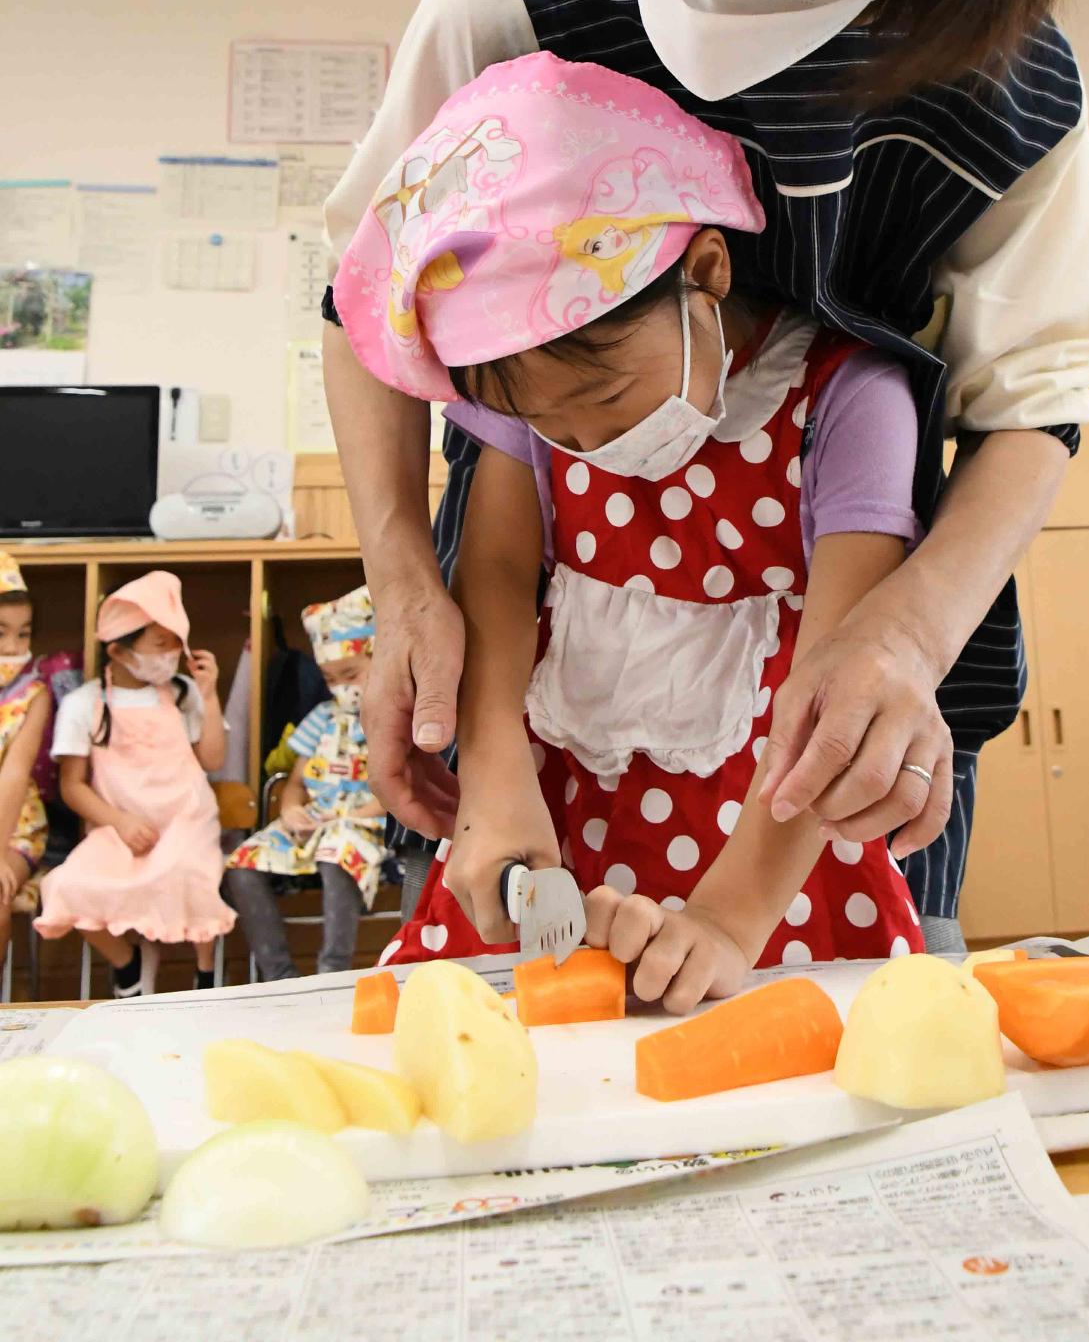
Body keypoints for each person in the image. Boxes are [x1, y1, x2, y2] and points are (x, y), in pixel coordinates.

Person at [323, 0, 1089, 957]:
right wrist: (399, 579)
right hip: (545, 691)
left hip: (828, 716)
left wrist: (907, 629)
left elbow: (1035, 399)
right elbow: (372, 309)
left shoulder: (999, 84)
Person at [337, 57, 925, 1004]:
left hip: (772, 855)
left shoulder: (848, 402)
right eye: (550, 433)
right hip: (561, 822)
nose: (586, 447)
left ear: (705, 269)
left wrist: (730, 919)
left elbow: (841, 686)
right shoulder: (530, 390)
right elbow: (493, 574)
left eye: (606, 399)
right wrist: (492, 776)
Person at [36, 571, 234, 996]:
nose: (172, 655)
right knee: (68, 885)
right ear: (119, 651)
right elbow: (72, 785)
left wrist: (210, 695)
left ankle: (206, 973)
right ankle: (127, 964)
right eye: (160, 644)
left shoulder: (183, 693)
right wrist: (118, 821)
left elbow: (213, 760)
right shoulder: (83, 703)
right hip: (118, 829)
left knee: (187, 872)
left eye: (175, 643)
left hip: (186, 820)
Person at [225, 588, 388, 980]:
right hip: (318, 820)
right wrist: (291, 808)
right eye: (331, 679)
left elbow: (411, 787)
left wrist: (350, 819)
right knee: (241, 864)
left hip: (374, 824)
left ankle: (332, 973)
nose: (340, 687)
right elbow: (297, 781)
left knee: (337, 853)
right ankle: (278, 976)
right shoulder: (322, 716)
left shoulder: (399, 714)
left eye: (350, 675)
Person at [0, 554, 52, 966]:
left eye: (23, 634)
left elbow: (14, 775)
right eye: (0, 633)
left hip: (12, 827)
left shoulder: (32, 696)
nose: (12, 648)